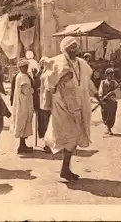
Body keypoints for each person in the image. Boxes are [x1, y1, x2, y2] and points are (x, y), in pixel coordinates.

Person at [42, 36, 99, 181]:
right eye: (71, 46)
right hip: (62, 106)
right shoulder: (56, 61)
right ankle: (65, 169)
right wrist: (47, 102)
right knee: (70, 136)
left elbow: (88, 82)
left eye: (76, 46)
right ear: (64, 48)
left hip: (80, 104)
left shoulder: (82, 63)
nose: (75, 49)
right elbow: (48, 85)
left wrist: (98, 96)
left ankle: (65, 168)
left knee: (74, 136)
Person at [10, 58, 35, 154]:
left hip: (23, 103)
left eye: (26, 66)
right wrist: (33, 90)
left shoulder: (20, 76)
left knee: (23, 124)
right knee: (23, 124)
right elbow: (26, 91)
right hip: (23, 104)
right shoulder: (23, 77)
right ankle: (21, 146)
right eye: (24, 67)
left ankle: (23, 145)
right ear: (20, 67)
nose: (26, 68)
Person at [38, 57, 53, 153]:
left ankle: (49, 145)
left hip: (47, 101)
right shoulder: (43, 73)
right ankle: (47, 144)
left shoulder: (48, 74)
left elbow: (48, 88)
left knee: (47, 123)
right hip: (43, 101)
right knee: (45, 122)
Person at [98, 68, 119, 135]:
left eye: (112, 75)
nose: (111, 76)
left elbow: (118, 91)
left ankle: (109, 128)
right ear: (106, 75)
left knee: (111, 115)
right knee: (105, 114)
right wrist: (102, 97)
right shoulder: (103, 82)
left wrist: (113, 93)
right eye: (110, 75)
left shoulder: (115, 83)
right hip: (105, 101)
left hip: (112, 101)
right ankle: (108, 127)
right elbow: (100, 91)